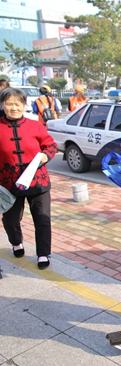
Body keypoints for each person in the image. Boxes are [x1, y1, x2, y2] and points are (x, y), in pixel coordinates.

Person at [0, 88, 58, 269]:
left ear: (24, 105)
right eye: (9, 104)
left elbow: (51, 146)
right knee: (10, 220)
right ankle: (16, 242)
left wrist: (45, 156)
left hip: (37, 182)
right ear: (2, 105)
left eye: (17, 104)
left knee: (42, 219)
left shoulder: (36, 126)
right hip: (8, 183)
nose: (14, 108)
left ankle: (43, 253)